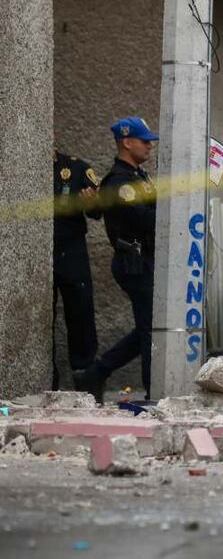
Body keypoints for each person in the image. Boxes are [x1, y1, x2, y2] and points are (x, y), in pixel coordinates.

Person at [80, 117, 159, 400]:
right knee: (151, 332)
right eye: (144, 140)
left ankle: (97, 372)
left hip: (145, 260)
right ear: (126, 142)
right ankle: (155, 392)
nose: (150, 145)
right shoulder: (119, 182)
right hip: (133, 261)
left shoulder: (138, 176)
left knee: (150, 329)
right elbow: (145, 220)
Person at [54, 150, 101, 392]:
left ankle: (86, 383)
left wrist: (92, 203)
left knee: (81, 314)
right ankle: (47, 383)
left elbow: (97, 210)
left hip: (70, 250)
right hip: (37, 252)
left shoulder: (75, 168)